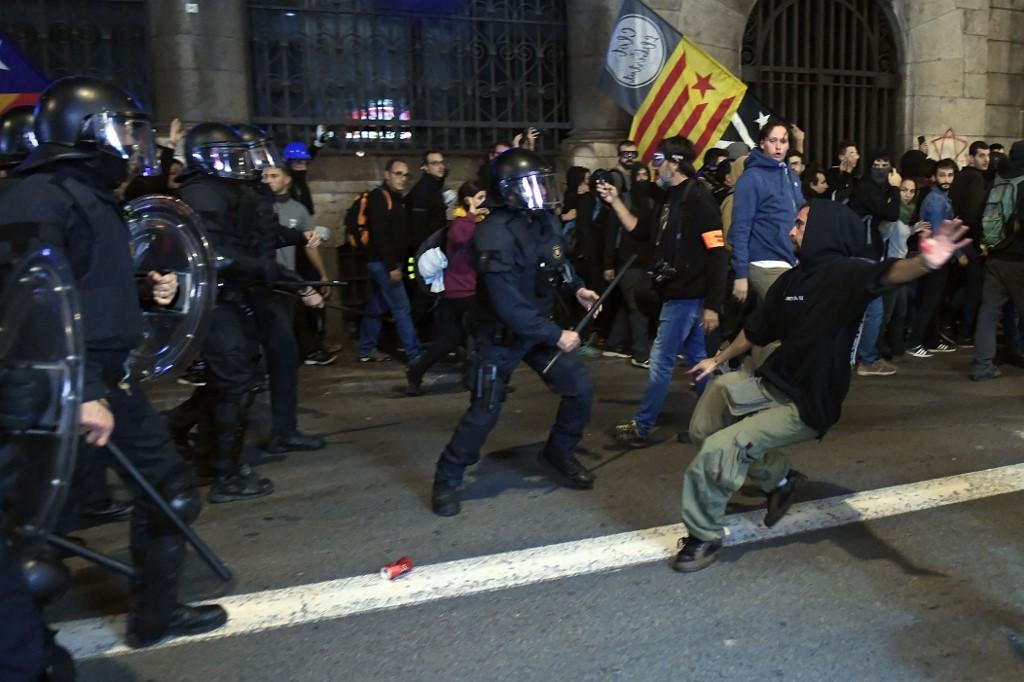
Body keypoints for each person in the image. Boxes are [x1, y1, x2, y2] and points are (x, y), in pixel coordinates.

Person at [0, 76, 227, 646]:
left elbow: (82, 285)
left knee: (86, 513)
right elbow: (28, 307)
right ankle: (29, 648)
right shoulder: (38, 197)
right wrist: (82, 389)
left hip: (99, 381)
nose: (131, 144)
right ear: (86, 130)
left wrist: (143, 288)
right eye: (123, 130)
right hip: (68, 387)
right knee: (34, 535)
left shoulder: (81, 192)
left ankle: (153, 615)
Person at [671, 201, 970, 572]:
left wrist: (926, 261)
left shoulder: (845, 274)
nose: (791, 232)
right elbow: (757, 330)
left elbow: (890, 274)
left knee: (723, 447)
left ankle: (703, 537)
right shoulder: (791, 281)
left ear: (823, 230)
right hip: (773, 382)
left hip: (807, 403)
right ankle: (780, 480)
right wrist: (716, 360)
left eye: (799, 225)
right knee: (716, 400)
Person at [430, 148, 601, 517]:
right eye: (532, 185)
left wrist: (578, 289)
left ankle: (558, 454)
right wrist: (557, 335)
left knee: (579, 391)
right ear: (508, 191)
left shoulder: (544, 222)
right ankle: (447, 477)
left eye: (543, 183)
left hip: (538, 330)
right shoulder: (493, 233)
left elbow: (558, 262)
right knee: (485, 410)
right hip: (501, 335)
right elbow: (508, 304)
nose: (541, 191)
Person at [173, 122, 324, 503]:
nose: (250, 163)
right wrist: (271, 271)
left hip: (237, 294)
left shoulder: (226, 190)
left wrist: (284, 256)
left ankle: (208, 456)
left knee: (235, 379)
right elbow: (218, 254)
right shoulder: (203, 192)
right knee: (235, 381)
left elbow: (256, 237)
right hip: (219, 299)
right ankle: (225, 472)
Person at [598, 135, 728, 448]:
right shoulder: (670, 198)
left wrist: (713, 305)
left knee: (660, 360)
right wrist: (615, 200)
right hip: (676, 292)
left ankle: (643, 426)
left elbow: (718, 252)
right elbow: (641, 231)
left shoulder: (699, 199)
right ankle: (714, 424)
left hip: (687, 295)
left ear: (675, 163)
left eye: (660, 161)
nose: (656, 168)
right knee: (698, 358)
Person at [727, 118, 803, 365]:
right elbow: (740, 227)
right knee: (783, 322)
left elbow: (800, 213)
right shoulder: (752, 178)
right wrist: (740, 274)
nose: (779, 147)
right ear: (761, 143)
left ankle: (733, 365)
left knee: (768, 323)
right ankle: (765, 376)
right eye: (773, 141)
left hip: (788, 261)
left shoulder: (790, 175)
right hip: (763, 261)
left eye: (783, 141)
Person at [406, 182, 488, 395]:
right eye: (479, 197)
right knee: (483, 335)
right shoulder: (460, 222)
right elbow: (459, 238)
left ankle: (417, 370)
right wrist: (472, 213)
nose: (483, 202)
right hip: (462, 291)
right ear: (468, 200)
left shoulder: (476, 223)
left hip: (463, 290)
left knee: (452, 338)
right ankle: (480, 380)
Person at [262, 163, 336, 364]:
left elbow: (310, 244)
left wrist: (322, 275)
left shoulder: (298, 209)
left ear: (287, 180)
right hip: (263, 277)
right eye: (265, 176)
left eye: (274, 175)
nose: (268, 180)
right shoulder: (259, 207)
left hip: (287, 278)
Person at [357, 159, 423, 364]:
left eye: (405, 174)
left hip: (386, 263)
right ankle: (415, 355)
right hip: (385, 264)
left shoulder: (396, 199)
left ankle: (366, 348)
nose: (402, 178)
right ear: (387, 175)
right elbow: (380, 234)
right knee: (401, 307)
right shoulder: (380, 198)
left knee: (377, 306)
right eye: (398, 173)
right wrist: (392, 266)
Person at [970, 140, 1024, 380]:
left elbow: (978, 216)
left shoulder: (997, 180)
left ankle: (982, 366)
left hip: (994, 258)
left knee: (989, 313)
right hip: (1020, 261)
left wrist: (986, 245)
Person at [848, 151, 902, 376]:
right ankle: (868, 359)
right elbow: (891, 213)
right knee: (875, 309)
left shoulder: (871, 188)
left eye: (885, 164)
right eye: (876, 164)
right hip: (863, 255)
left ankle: (860, 356)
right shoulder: (867, 188)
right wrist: (896, 188)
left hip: (865, 254)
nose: (881, 168)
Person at [906, 159, 959, 357]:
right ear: (935, 177)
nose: (946, 179)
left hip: (934, 256)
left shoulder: (940, 197)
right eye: (943, 175)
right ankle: (915, 342)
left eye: (950, 175)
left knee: (933, 301)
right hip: (935, 257)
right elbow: (939, 233)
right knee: (930, 301)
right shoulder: (937, 200)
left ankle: (930, 340)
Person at [948, 141, 991, 344]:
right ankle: (964, 330)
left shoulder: (962, 176)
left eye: (987, 155)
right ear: (971, 157)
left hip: (958, 238)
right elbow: (973, 215)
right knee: (973, 288)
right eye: (981, 155)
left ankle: (951, 324)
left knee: (963, 285)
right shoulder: (975, 179)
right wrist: (981, 243)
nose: (986, 160)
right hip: (969, 240)